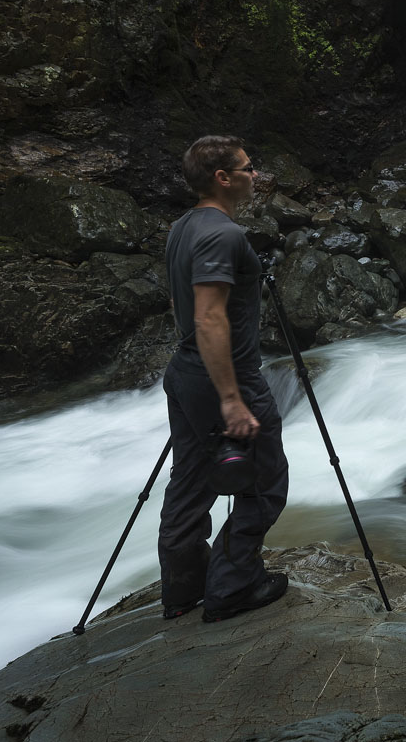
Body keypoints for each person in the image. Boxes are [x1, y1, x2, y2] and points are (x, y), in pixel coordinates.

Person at [157, 134, 289, 622]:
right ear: (223, 177)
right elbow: (210, 318)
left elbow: (181, 306)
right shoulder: (224, 235)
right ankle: (232, 588)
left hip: (185, 372)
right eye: (249, 167)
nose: (256, 175)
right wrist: (232, 399)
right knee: (265, 481)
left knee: (190, 480)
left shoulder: (182, 227)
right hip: (225, 377)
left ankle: (182, 588)